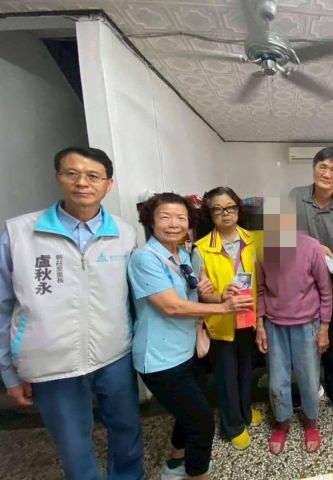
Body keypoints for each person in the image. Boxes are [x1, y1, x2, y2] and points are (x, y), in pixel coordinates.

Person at [0, 146, 144, 479]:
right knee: (72, 443)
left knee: (126, 429)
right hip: (51, 360)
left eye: (93, 176)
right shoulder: (19, 233)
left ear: (108, 184)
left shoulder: (124, 233)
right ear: (58, 177)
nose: (82, 183)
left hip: (114, 353)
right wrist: (8, 371)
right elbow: (4, 306)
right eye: (72, 173)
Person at [128, 193, 252, 480]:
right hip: (160, 359)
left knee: (189, 415)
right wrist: (223, 308)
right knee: (202, 423)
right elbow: (172, 306)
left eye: (180, 217)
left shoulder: (182, 255)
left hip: (186, 351)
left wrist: (221, 295)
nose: (174, 223)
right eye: (165, 217)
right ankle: (197, 473)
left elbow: (194, 295)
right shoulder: (145, 258)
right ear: (150, 221)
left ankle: (175, 464)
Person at [255, 200, 332, 454]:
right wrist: (260, 325)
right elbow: (260, 290)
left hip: (307, 325)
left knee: (309, 378)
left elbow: (325, 290)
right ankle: (282, 422)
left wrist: (324, 328)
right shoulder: (263, 249)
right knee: (277, 380)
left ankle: (311, 421)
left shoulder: (311, 247)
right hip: (274, 326)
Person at [291, 146, 333, 431]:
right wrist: (313, 247)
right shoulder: (294, 196)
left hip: (329, 278)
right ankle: (304, 394)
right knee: (302, 340)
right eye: (322, 167)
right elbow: (278, 236)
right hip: (297, 279)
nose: (327, 173)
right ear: (313, 168)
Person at [191, 187, 262, 450]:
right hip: (220, 322)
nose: (225, 213)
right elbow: (199, 295)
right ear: (210, 214)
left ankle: (245, 411)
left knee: (247, 370)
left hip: (248, 318)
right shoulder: (200, 249)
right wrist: (217, 296)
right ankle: (232, 425)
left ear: (238, 209)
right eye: (218, 209)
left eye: (230, 207)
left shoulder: (254, 241)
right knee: (226, 376)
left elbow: (263, 280)